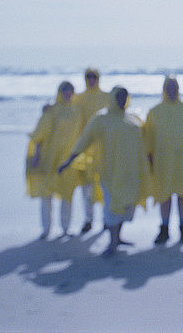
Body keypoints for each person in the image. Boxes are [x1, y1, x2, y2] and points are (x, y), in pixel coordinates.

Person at [58, 87, 152, 257]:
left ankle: (118, 237)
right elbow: (85, 139)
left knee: (127, 206)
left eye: (124, 96)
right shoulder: (102, 118)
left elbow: (147, 139)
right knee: (112, 207)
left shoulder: (133, 118)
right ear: (112, 97)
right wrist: (69, 160)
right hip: (111, 172)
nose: (121, 100)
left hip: (131, 172)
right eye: (118, 96)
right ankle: (112, 243)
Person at [144, 76, 183, 244]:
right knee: (164, 195)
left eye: (174, 87)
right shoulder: (154, 112)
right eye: (169, 87)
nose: (172, 90)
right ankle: (164, 228)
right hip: (162, 162)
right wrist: (150, 161)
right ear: (164, 89)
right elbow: (148, 140)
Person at [26, 81, 83, 239]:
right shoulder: (52, 110)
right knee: (47, 196)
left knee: (67, 195)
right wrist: (36, 155)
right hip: (49, 158)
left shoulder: (77, 110)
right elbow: (39, 134)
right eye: (65, 89)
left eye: (70, 89)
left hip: (68, 160)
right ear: (60, 91)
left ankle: (65, 228)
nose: (67, 92)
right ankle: (46, 229)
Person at [71, 67, 111, 233]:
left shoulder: (107, 97)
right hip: (85, 149)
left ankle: (106, 219)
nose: (91, 80)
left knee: (104, 186)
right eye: (88, 76)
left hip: (103, 149)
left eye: (94, 76)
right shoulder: (78, 98)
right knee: (87, 188)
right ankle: (88, 219)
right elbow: (64, 107)